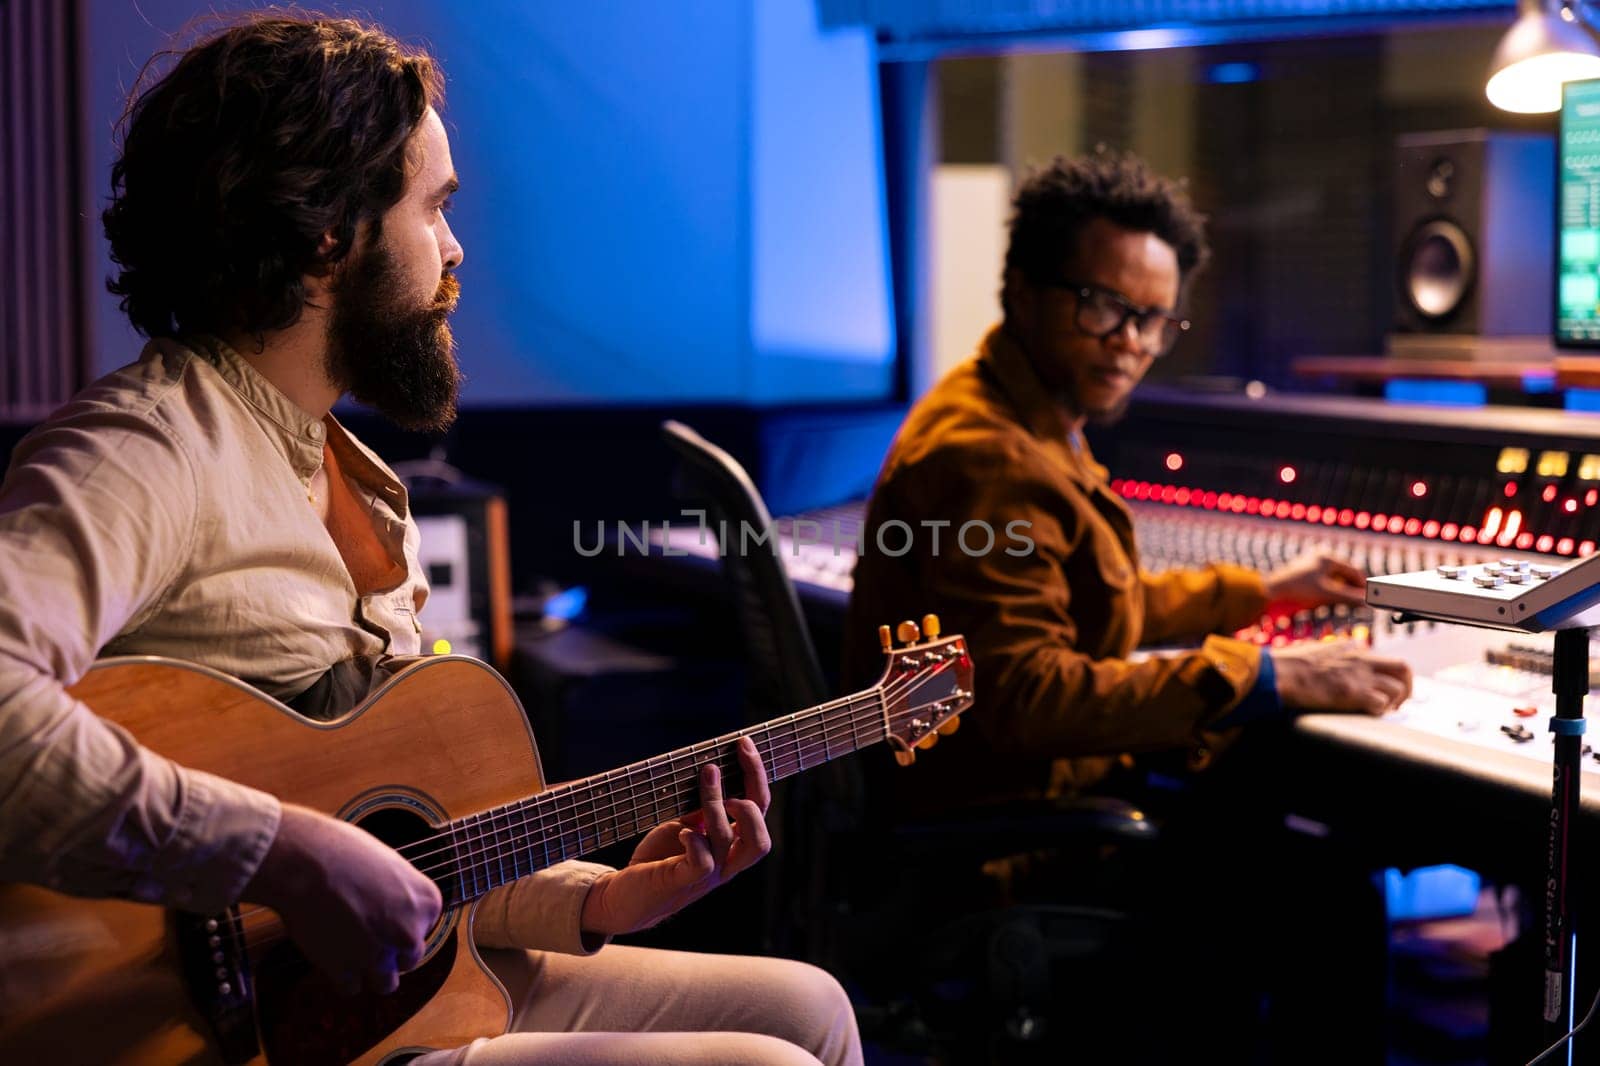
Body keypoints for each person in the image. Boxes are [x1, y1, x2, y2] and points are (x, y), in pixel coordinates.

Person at [0, 14, 858, 1066]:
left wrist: (610, 896)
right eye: (434, 208)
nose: (454, 250)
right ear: (329, 231)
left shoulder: (357, 481)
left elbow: (415, 853)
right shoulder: (147, 446)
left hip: (363, 998)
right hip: (217, 1033)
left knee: (811, 1008)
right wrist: (281, 853)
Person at [842, 150, 1413, 1060]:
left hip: (1017, 803)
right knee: (1326, 887)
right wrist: (1262, 670)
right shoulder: (991, 457)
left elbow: (1089, 606)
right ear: (1021, 290)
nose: (1133, 343)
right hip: (1009, 842)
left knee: (1279, 831)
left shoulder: (1020, 412)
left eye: (1153, 319)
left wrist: (1257, 594)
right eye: (1103, 307)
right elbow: (1028, 695)